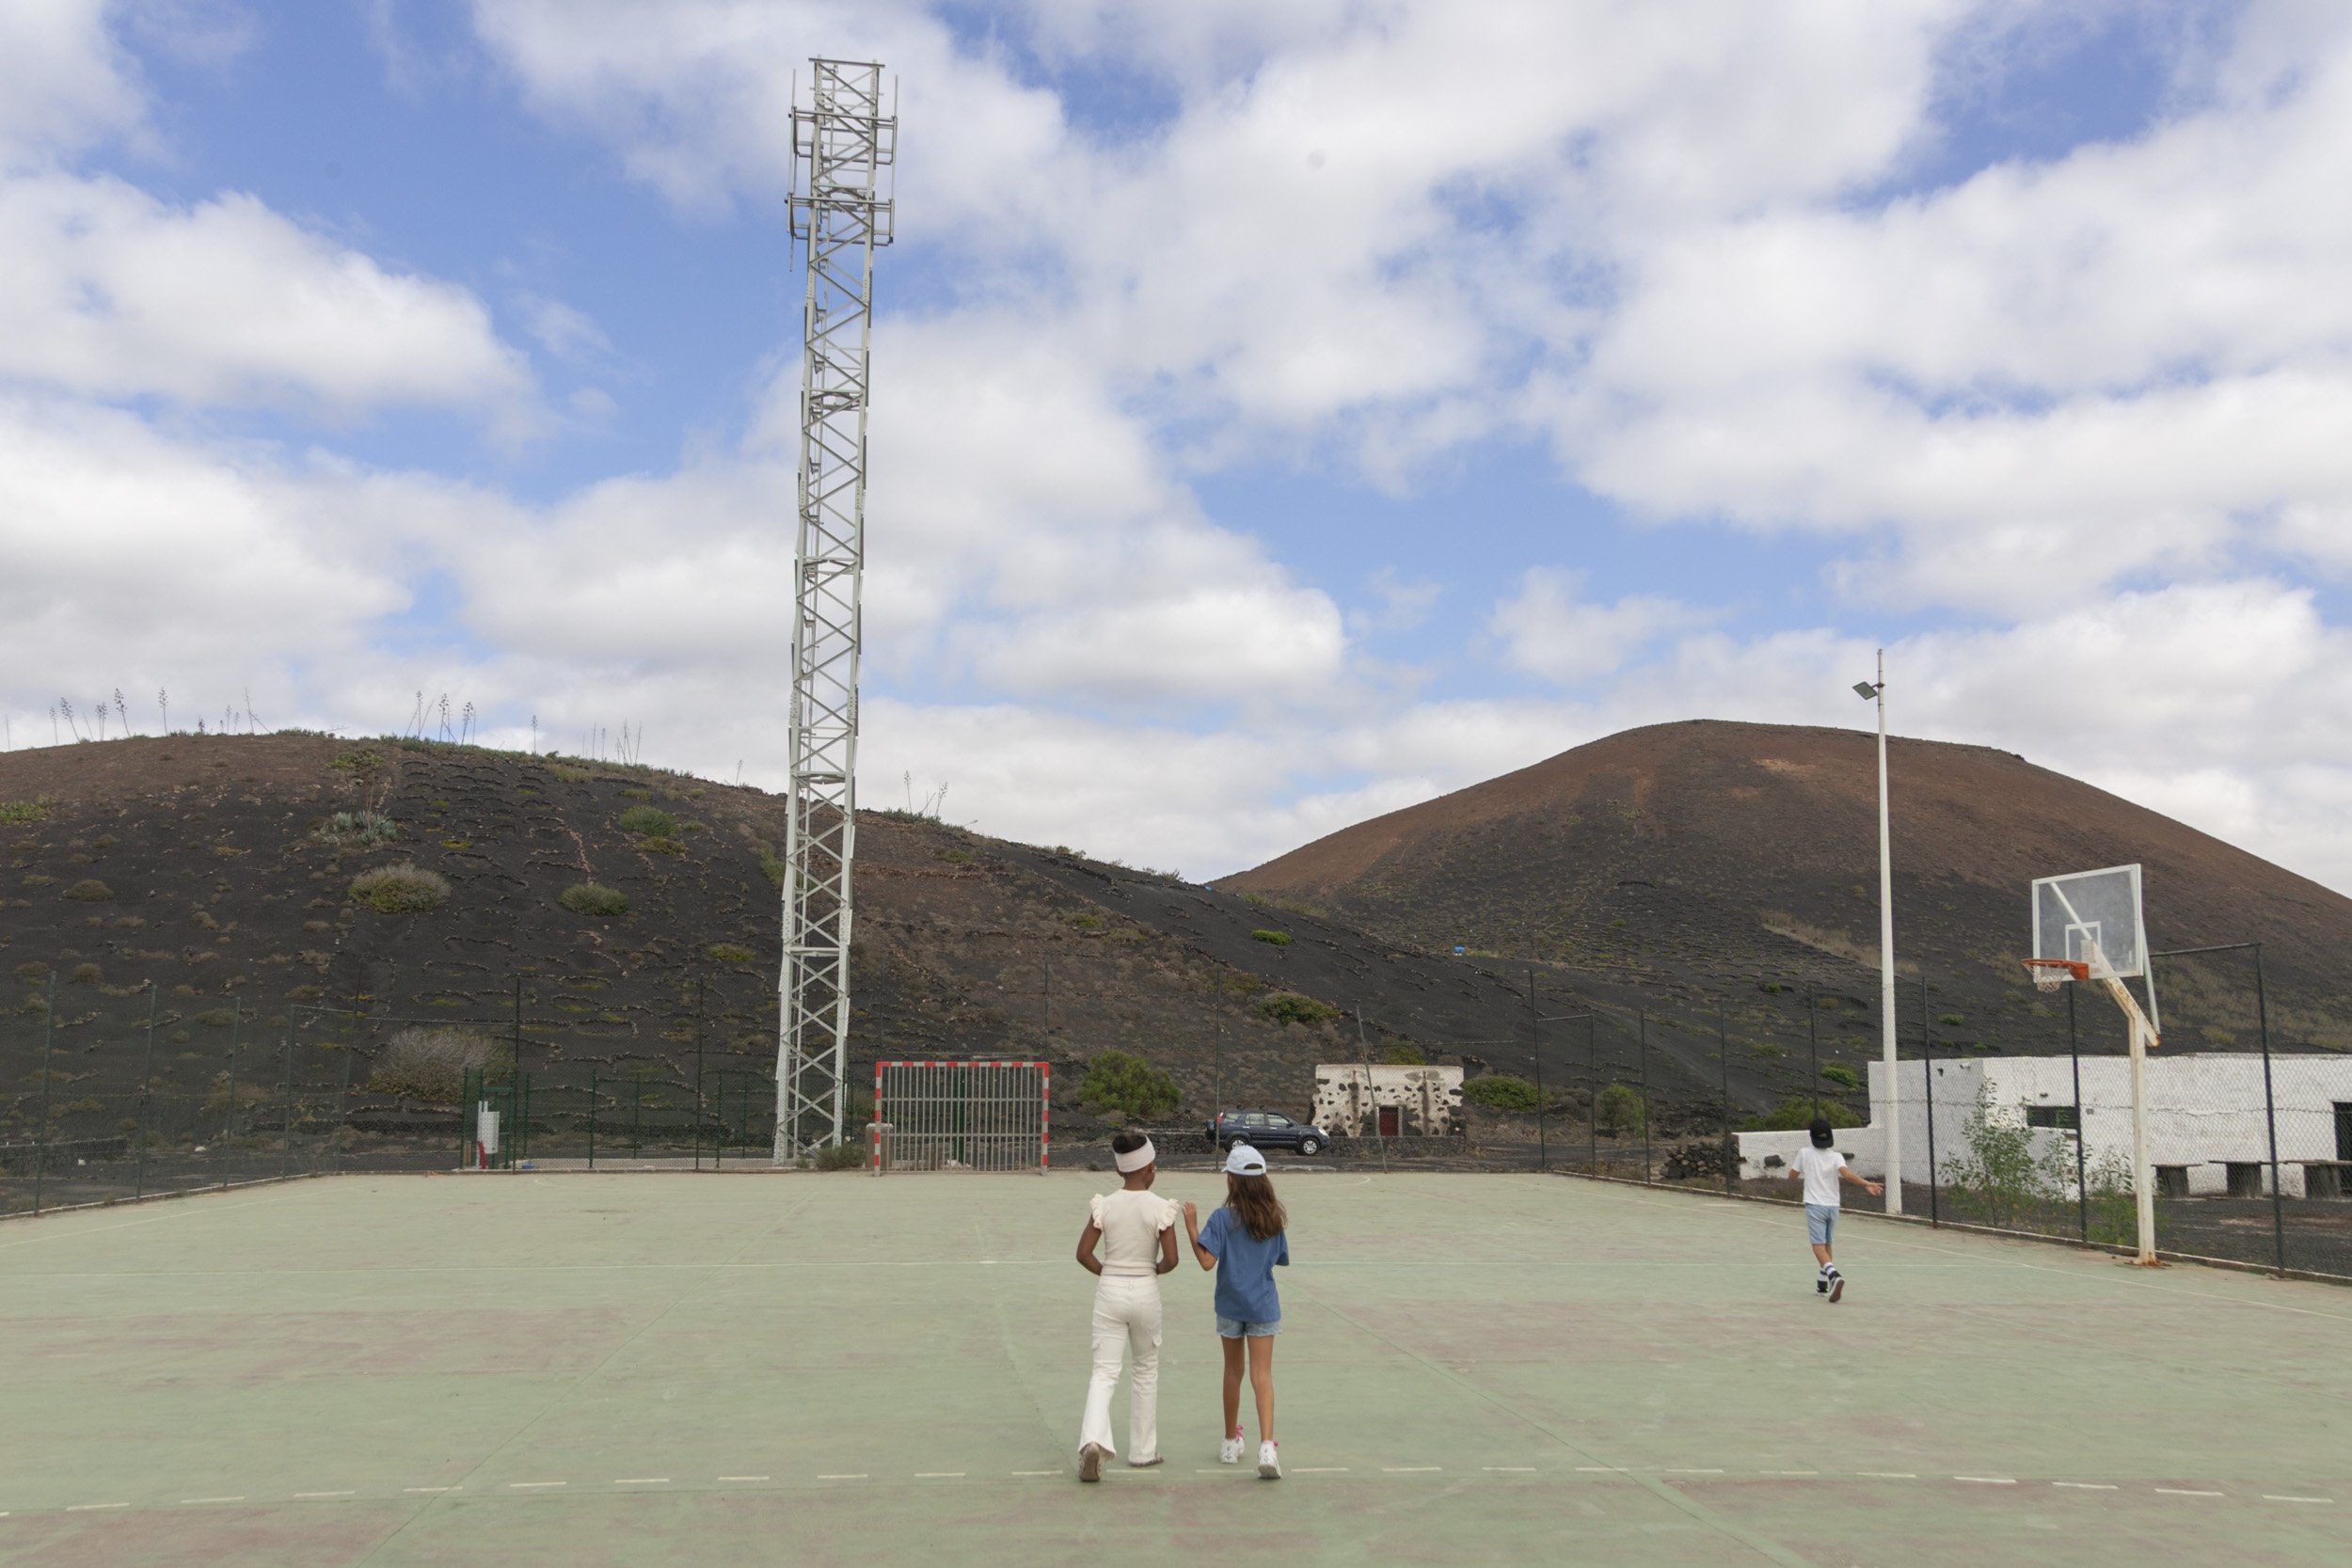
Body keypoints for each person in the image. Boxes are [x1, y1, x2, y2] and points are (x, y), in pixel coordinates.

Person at [1073, 1129, 1181, 1481]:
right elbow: (1172, 1259)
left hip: (1110, 1291)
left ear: (1120, 1171)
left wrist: (1108, 1273)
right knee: (1145, 1370)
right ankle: (1142, 1452)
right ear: (1150, 1168)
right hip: (1146, 1291)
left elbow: (1083, 1254)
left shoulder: (1104, 1204)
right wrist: (1152, 1270)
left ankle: (1092, 1442)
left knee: (1104, 1372)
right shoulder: (1160, 1207)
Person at [1181, 1142, 1290, 1479]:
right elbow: (1277, 1260)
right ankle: (1267, 1447)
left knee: (1233, 1372)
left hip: (1230, 1304)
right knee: (1263, 1375)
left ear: (1231, 1180)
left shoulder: (1221, 1218)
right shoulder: (1273, 1218)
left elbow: (1205, 1261)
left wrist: (1191, 1227)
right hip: (1263, 1305)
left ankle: (1230, 1441)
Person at [1786, 1117, 1881, 1302]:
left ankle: (1834, 1275)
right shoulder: (1837, 1156)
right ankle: (1823, 1284)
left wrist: (1797, 1172)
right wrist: (1866, 1183)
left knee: (1817, 1246)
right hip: (1833, 1207)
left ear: (1812, 1137)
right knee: (1828, 1244)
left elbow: (1792, 1176)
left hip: (1815, 1206)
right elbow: (1847, 1174)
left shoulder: (1804, 1153)